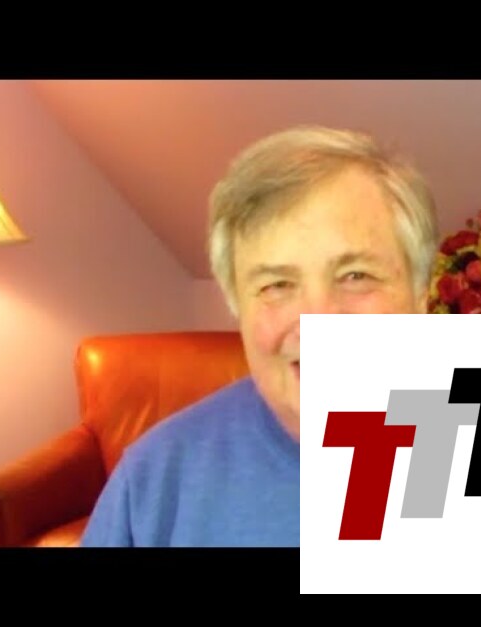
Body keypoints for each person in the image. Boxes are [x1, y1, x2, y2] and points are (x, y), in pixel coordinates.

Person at [81, 125, 440, 547]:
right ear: (238, 308)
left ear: (421, 296)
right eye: (277, 285)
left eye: (356, 275)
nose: (317, 320)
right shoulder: (154, 483)